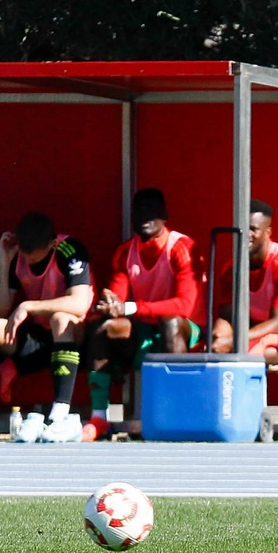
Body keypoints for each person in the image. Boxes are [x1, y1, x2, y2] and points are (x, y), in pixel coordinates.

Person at [0, 212, 94, 443]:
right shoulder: (17, 254)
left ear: (51, 244)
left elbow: (80, 303)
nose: (29, 262)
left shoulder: (69, 249)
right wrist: (4, 263)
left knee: (60, 319)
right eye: (26, 256)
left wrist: (29, 306)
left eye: (35, 258)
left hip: (75, 338)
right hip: (38, 337)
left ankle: (58, 416)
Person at [83, 188, 200, 441]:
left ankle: (176, 413)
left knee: (171, 322)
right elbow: (118, 301)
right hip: (144, 328)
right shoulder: (126, 251)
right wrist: (108, 305)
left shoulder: (181, 247)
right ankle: (99, 417)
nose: (145, 217)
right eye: (139, 211)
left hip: (186, 331)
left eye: (151, 211)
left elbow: (184, 306)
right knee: (104, 328)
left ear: (164, 215)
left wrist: (130, 308)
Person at [211, 199, 278, 369]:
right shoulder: (231, 268)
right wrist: (218, 337)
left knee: (250, 351)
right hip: (252, 333)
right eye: (242, 228)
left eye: (253, 229)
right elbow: (227, 315)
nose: (246, 234)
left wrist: (234, 340)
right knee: (212, 350)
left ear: (267, 233)